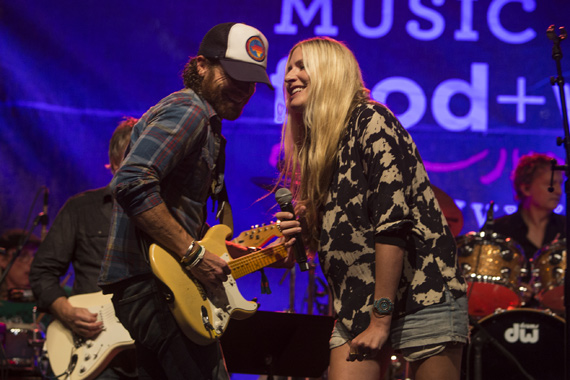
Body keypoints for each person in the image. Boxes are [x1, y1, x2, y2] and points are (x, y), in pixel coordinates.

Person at [274, 37, 469, 380]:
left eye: (302, 66)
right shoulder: (319, 148)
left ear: (330, 72)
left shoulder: (371, 120)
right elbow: (337, 239)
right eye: (289, 67)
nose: (289, 76)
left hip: (423, 294)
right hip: (355, 306)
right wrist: (290, 243)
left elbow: (392, 224)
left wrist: (381, 317)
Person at [97, 23, 278, 380]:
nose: (244, 89)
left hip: (158, 283)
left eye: (252, 81)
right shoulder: (189, 110)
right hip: (154, 284)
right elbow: (132, 181)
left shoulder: (206, 122)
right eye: (235, 75)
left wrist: (229, 252)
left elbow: (178, 212)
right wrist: (194, 255)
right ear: (200, 66)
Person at [29, 117, 138, 380]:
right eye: (133, 157)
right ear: (113, 163)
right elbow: (42, 272)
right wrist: (65, 311)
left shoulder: (173, 216)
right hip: (95, 347)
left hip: (152, 350)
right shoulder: (81, 209)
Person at [492, 152, 565, 265]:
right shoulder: (499, 231)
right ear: (526, 188)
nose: (558, 191)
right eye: (550, 184)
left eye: (560, 184)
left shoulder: (566, 228)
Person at [0, 229, 40, 323]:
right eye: (22, 255)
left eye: (35, 255)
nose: (31, 262)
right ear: (2, 260)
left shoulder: (54, 298)